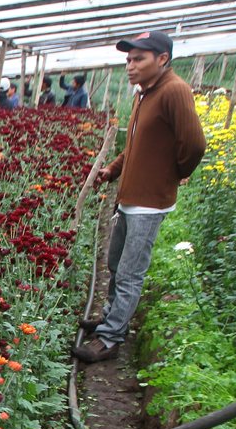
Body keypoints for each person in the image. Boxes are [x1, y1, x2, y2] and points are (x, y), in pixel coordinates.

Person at [73, 31, 206, 364]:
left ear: (162, 59)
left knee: (131, 273)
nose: (130, 66)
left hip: (149, 203)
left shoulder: (174, 90)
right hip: (129, 196)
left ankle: (110, 339)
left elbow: (194, 144)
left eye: (138, 59)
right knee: (116, 265)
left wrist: (175, 173)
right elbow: (134, 144)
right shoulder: (144, 93)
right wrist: (113, 170)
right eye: (128, 60)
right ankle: (109, 318)